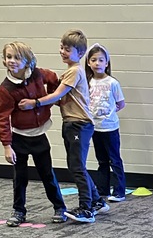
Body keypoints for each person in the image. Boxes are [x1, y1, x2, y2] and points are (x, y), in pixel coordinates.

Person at [18, 29, 106, 224]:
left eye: (67, 49)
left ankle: (86, 208)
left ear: (80, 53)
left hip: (79, 124)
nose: (62, 52)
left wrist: (35, 103)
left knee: (77, 167)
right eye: (61, 47)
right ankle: (97, 200)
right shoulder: (70, 72)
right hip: (72, 123)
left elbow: (57, 95)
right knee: (76, 165)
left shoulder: (75, 71)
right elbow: (62, 100)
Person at [0, 41, 67, 227]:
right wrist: (7, 145)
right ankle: (19, 210)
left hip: (38, 136)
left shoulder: (37, 74)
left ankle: (60, 207)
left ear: (27, 61)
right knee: (20, 178)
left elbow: (53, 79)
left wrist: (48, 100)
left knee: (47, 174)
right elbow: (3, 118)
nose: (12, 61)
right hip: (19, 137)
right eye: (8, 57)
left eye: (17, 57)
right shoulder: (5, 89)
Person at [85, 43, 127, 202]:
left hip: (110, 127)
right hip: (95, 127)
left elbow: (121, 103)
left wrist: (109, 113)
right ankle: (103, 190)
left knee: (114, 159)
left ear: (107, 63)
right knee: (101, 160)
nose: (97, 63)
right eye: (93, 60)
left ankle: (119, 191)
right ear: (88, 63)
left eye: (101, 60)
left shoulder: (112, 83)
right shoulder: (88, 82)